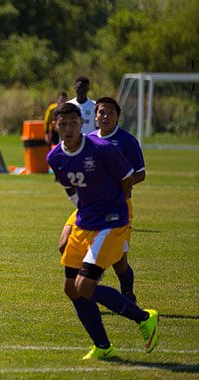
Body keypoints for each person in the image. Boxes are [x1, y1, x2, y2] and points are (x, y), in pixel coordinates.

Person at [46, 102, 158, 360]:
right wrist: (81, 209)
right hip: (85, 221)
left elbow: (128, 177)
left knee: (85, 285)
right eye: (62, 124)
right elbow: (70, 188)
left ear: (82, 124)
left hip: (111, 220)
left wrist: (115, 205)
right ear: (55, 126)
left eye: (73, 123)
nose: (68, 128)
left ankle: (144, 318)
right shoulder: (55, 157)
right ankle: (103, 347)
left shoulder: (102, 149)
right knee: (70, 288)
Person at [59, 97, 145, 303]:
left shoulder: (126, 141)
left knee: (119, 261)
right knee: (65, 243)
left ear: (117, 117)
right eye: (102, 113)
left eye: (111, 113)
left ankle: (127, 296)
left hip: (117, 206)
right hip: (89, 205)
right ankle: (90, 277)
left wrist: (117, 186)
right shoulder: (88, 139)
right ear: (95, 116)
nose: (106, 116)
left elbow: (140, 174)